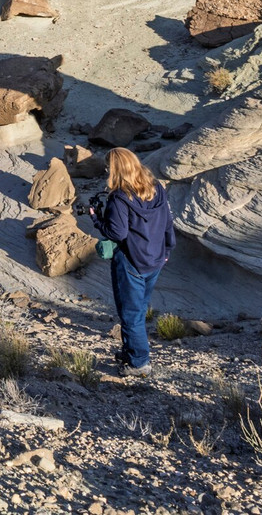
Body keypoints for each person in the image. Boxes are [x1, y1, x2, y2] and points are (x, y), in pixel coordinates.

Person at [90, 147, 175, 378]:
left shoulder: (119, 197)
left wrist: (96, 219)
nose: (107, 171)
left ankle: (139, 363)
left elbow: (116, 233)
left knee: (131, 314)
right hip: (155, 259)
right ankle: (130, 352)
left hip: (132, 262)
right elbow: (167, 222)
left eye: (108, 167)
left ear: (115, 169)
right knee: (138, 309)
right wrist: (167, 249)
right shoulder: (155, 187)